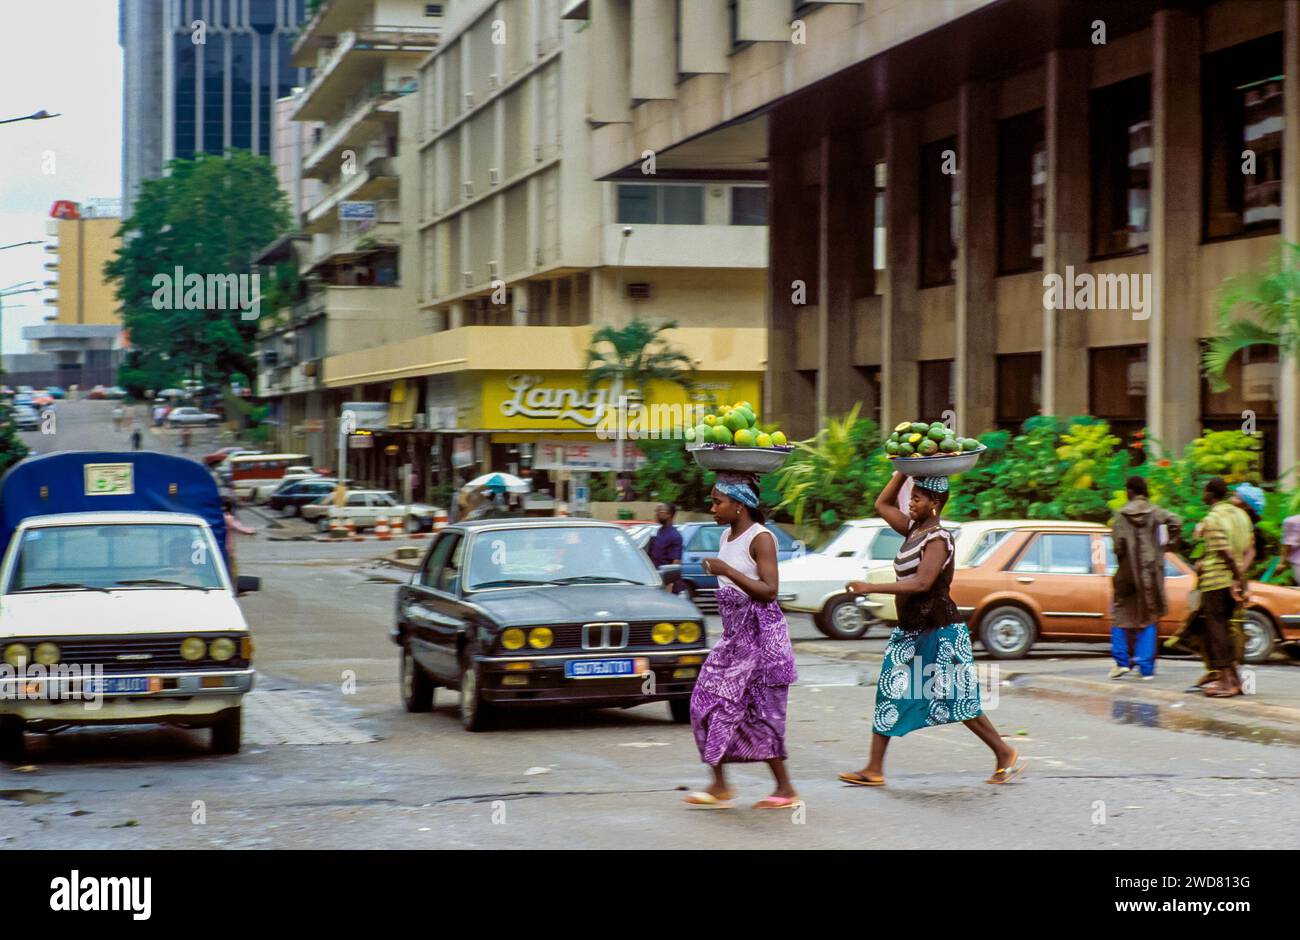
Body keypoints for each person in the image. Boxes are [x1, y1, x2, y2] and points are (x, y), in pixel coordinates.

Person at [841, 472, 1024, 787]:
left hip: (941, 631)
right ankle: (874, 768)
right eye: (911, 498)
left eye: (917, 498)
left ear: (934, 503)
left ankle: (1004, 753)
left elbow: (922, 583)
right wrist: (901, 472)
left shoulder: (937, 538)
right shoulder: (913, 530)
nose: (910, 504)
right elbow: (882, 503)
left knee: (959, 698)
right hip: (911, 630)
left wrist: (870, 586)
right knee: (890, 691)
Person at [683, 471, 800, 810]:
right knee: (703, 702)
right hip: (734, 639)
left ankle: (785, 788)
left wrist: (727, 570)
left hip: (762, 639)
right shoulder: (725, 537)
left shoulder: (760, 538)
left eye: (717, 501)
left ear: (738, 504)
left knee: (760, 713)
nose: (712, 507)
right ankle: (719, 785)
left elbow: (770, 591)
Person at [1109, 476, 1181, 680]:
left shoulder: (1121, 516)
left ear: (1130, 491)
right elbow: (1176, 521)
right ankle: (1146, 668)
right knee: (1149, 616)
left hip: (1127, 573)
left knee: (1121, 614)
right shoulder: (1156, 513)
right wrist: (1169, 545)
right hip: (1151, 573)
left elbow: (1118, 547)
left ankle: (1122, 662)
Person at [1195, 477, 1253, 698]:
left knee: (1216, 631)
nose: (1203, 495)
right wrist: (1240, 580)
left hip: (1216, 582)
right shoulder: (1240, 515)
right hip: (1231, 582)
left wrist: (1237, 576)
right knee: (1225, 629)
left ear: (1211, 494)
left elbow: (1225, 552)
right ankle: (1234, 680)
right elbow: (1249, 549)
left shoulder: (1213, 518)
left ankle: (1226, 683)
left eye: (1205, 491)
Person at [646, 502, 684, 593]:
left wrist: (669, 586)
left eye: (660, 511)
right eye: (657, 511)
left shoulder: (675, 536)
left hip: (667, 585)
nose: (657, 514)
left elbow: (675, 563)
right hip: (656, 581)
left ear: (669, 515)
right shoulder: (659, 531)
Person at [223, 496, 255, 583]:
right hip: (228, 549)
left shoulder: (219, 517)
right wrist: (251, 531)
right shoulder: (228, 518)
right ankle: (234, 588)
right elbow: (239, 527)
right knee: (232, 569)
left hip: (222, 548)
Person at [1284, 511, 1300, 586]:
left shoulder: (1293, 521)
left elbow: (1288, 543)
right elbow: (1288, 543)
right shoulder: (1294, 521)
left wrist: (1282, 561)